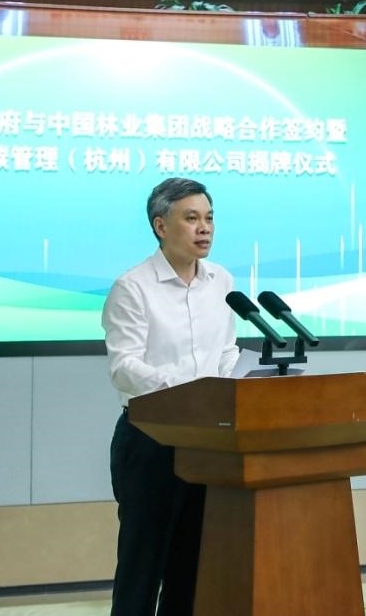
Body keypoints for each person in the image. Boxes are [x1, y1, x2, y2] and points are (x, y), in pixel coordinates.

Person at [103, 177, 239, 616]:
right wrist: (185, 393)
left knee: (192, 567)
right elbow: (124, 365)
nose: (205, 228)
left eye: (209, 218)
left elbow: (227, 351)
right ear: (160, 226)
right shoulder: (133, 286)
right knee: (142, 567)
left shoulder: (221, 281)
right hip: (151, 440)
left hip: (208, 441)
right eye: (191, 218)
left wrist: (224, 386)